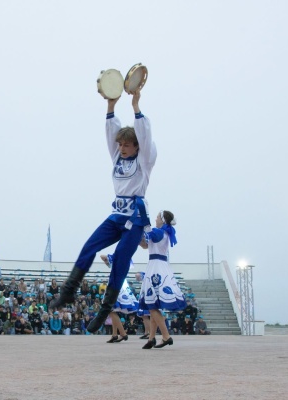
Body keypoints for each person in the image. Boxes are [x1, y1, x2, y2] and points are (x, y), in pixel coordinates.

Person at [50, 90, 157, 336]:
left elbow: (145, 135)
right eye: (120, 144)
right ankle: (68, 291)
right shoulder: (117, 157)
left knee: (120, 260)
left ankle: (105, 308)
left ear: (137, 146)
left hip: (135, 218)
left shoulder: (144, 161)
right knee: (90, 246)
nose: (122, 148)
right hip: (116, 215)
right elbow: (111, 133)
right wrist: (111, 107)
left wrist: (135, 105)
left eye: (127, 144)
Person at [139, 210, 186, 349]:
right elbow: (145, 245)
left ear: (163, 220)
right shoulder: (164, 232)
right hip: (161, 266)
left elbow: (149, 237)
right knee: (154, 305)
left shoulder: (159, 232)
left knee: (152, 305)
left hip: (156, 267)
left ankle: (166, 336)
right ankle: (151, 338)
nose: (155, 219)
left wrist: (141, 228)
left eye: (157, 217)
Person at [99, 254, 139, 343]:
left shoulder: (119, 259)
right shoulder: (124, 260)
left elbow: (102, 256)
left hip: (116, 285)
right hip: (120, 283)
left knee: (111, 310)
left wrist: (113, 256)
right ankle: (114, 334)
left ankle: (123, 333)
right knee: (113, 310)